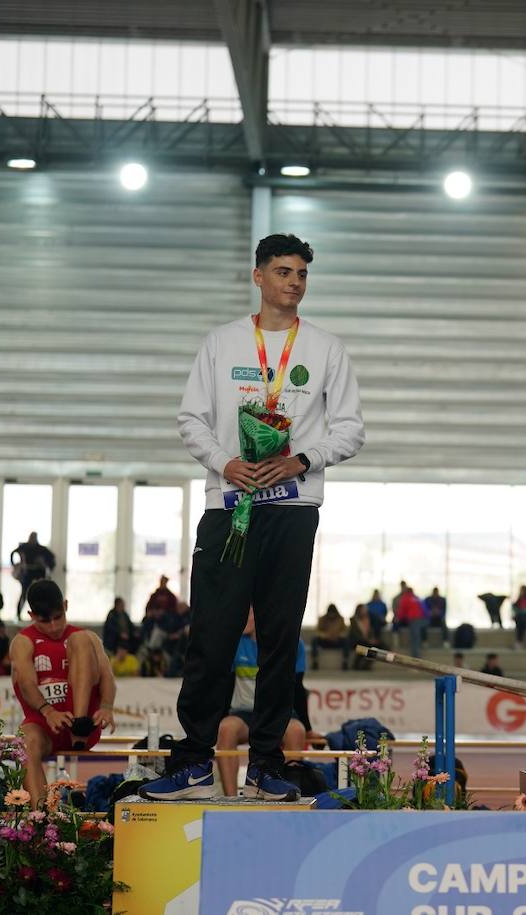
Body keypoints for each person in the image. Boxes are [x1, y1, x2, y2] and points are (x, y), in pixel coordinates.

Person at [140, 233, 365, 803]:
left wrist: (301, 459)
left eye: (302, 274)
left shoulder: (326, 348)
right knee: (211, 638)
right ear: (258, 276)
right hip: (229, 506)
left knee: (280, 641)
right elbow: (191, 418)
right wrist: (226, 463)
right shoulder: (222, 344)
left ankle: (267, 765)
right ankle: (191, 762)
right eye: (284, 272)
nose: (294, 282)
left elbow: (350, 429)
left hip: (292, 510)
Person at [10, 580, 115, 799]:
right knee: (25, 742)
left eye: (58, 617)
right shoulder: (23, 641)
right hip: (44, 725)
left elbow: (107, 677)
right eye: (44, 621)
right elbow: (26, 684)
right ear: (31, 615)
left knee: (81, 639)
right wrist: (48, 711)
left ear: (66, 605)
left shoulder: (87, 638)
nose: (54, 626)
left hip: (85, 726)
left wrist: (106, 706)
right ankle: (41, 822)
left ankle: (79, 725)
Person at [215, 610, 310, 796]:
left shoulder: (294, 644)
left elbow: (298, 689)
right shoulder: (235, 644)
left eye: (249, 613)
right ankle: (230, 798)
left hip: (279, 713)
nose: (243, 618)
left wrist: (308, 725)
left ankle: (287, 794)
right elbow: (224, 686)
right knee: (225, 729)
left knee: (297, 731)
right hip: (244, 714)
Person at [10, 532, 56, 617]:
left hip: (38, 573)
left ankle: (41, 614)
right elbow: (13, 553)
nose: (32, 539)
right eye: (31, 537)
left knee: (40, 594)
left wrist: (45, 565)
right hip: (27, 573)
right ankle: (18, 614)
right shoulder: (24, 547)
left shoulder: (41, 549)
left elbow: (52, 559)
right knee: (24, 593)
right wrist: (15, 564)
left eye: (34, 538)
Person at [393, 585, 428, 658]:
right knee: (416, 636)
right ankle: (417, 653)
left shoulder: (405, 599)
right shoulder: (417, 598)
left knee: (415, 637)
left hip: (413, 619)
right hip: (420, 619)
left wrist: (398, 618)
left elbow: (402, 611)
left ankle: (415, 654)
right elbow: (424, 609)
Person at [312, 603, 348, 669]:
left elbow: (345, 631)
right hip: (325, 641)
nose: (331, 615)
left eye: (333, 614)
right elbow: (317, 631)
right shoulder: (322, 619)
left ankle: (345, 661)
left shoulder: (340, 619)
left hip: (336, 641)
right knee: (315, 640)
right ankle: (315, 661)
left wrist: (338, 635)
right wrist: (325, 635)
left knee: (347, 641)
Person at [348, 605, 380, 671]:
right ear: (359, 610)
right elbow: (355, 635)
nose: (365, 611)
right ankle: (357, 664)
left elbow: (370, 632)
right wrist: (367, 640)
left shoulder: (368, 620)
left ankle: (366, 664)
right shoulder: (354, 620)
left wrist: (371, 639)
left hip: (366, 642)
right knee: (366, 646)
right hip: (356, 642)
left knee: (373, 645)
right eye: (363, 609)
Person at [510, 585, 526, 650]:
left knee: (522, 620)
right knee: (520, 620)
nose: (521, 592)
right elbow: (514, 608)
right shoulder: (518, 600)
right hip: (520, 619)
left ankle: (519, 641)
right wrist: (519, 611)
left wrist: (522, 612)